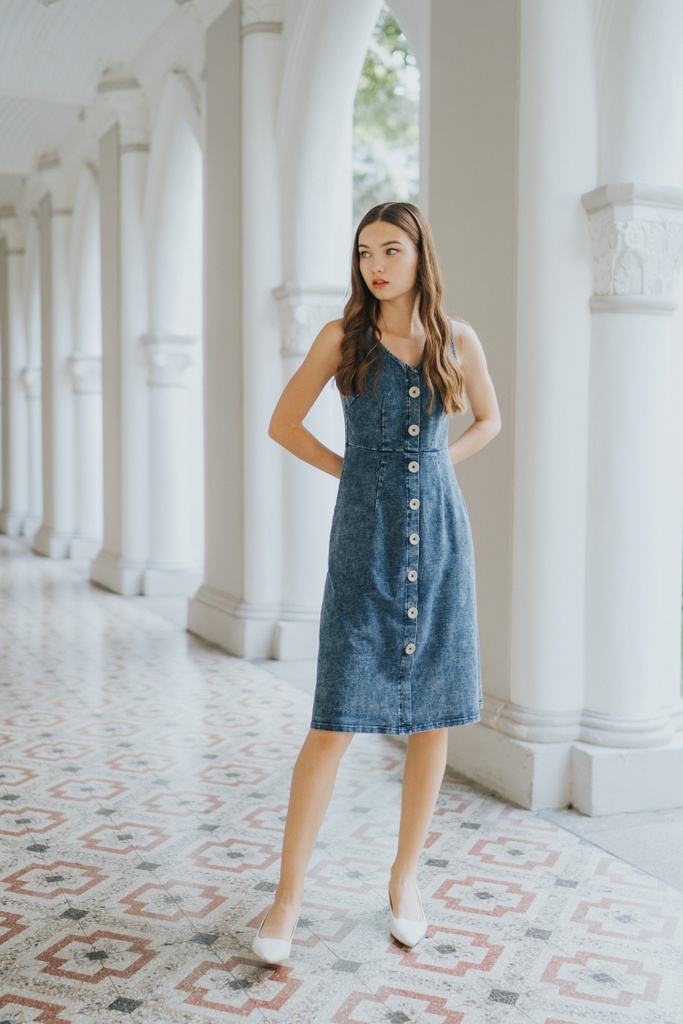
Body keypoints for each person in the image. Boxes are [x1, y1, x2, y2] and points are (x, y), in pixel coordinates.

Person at [252, 201, 501, 965]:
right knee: (332, 722)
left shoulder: (457, 340)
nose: (375, 265)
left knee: (433, 719)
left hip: (440, 541)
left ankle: (404, 881)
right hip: (363, 542)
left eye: (390, 250)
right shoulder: (343, 339)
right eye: (364, 252)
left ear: (421, 256)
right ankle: (287, 897)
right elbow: (283, 423)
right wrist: (351, 471)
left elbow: (487, 420)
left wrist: (433, 468)